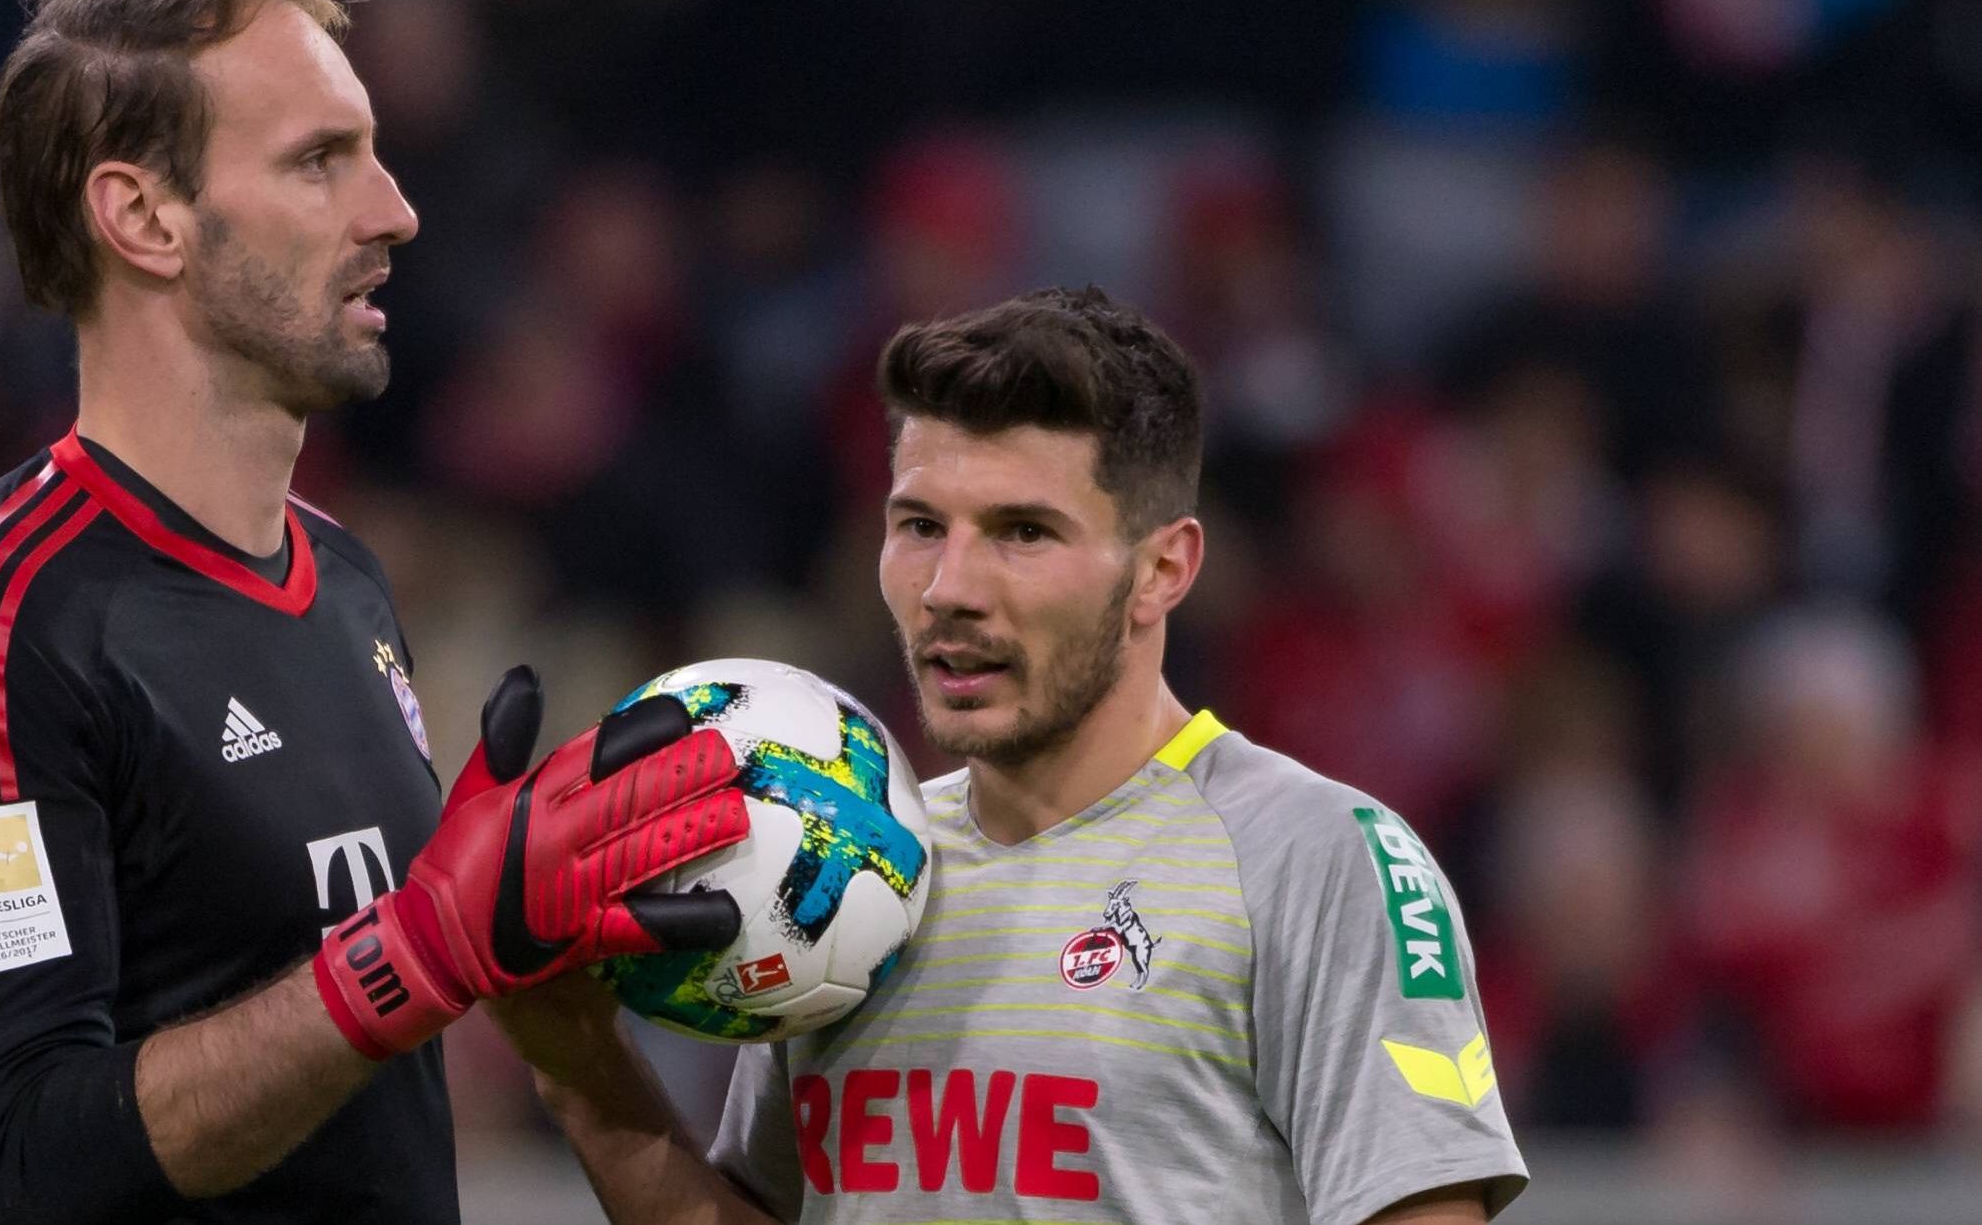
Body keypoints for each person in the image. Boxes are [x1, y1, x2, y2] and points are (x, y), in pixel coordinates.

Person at [0, 0, 751, 1225]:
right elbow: (23, 1154)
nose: (393, 210)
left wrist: (530, 985)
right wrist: (413, 956)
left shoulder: (349, 585)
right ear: (143, 217)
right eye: (320, 160)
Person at [495, 287, 1530, 1223]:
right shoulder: (840, 862)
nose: (949, 585)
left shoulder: (1313, 856)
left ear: (1162, 569)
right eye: (918, 525)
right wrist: (580, 1064)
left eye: (1021, 532)